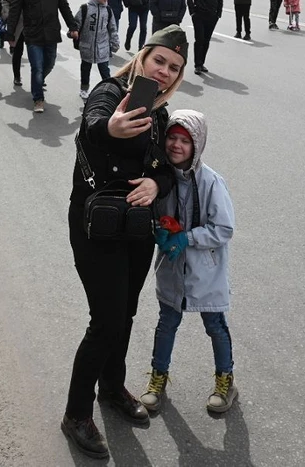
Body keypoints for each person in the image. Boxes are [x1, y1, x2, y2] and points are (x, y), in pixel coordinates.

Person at [62, 27, 188, 461]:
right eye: (160, 62)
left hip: (135, 228)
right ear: (144, 57)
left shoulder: (159, 113)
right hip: (95, 226)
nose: (165, 72)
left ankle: (111, 387)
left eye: (174, 68)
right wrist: (112, 128)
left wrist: (156, 181)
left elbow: (173, 166)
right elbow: (94, 124)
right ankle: (76, 413)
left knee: (127, 313)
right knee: (107, 319)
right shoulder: (110, 92)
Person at [139, 109, 237, 415]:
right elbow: (154, 216)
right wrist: (159, 231)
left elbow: (223, 228)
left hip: (205, 272)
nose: (176, 145)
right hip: (171, 269)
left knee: (215, 326)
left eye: (185, 140)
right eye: (172, 137)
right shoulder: (161, 180)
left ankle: (226, 381)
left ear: (197, 145)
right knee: (166, 324)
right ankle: (158, 378)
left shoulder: (211, 183)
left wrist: (188, 237)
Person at [3, 0, 78, 113]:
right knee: (36, 67)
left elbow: (64, 6)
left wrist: (72, 25)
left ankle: (37, 82)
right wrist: (10, 35)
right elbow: (15, 13)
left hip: (51, 32)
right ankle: (38, 99)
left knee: (49, 64)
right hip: (32, 34)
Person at [75, 0, 120, 100]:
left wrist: (115, 42)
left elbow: (112, 28)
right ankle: (84, 89)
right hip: (87, 46)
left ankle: (108, 90)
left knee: (105, 70)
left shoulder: (108, 10)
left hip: (103, 46)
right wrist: (72, 32)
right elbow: (76, 24)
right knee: (85, 68)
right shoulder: (85, 8)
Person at [187, 0, 224, 75]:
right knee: (199, 39)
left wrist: (218, 13)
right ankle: (197, 64)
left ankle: (202, 62)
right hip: (198, 14)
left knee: (207, 40)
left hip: (212, 15)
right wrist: (192, 12)